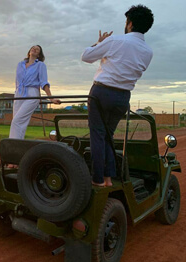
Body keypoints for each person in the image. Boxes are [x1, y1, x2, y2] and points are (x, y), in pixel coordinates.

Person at [81, 5, 154, 187]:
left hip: (101, 92)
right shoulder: (148, 52)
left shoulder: (115, 41)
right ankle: (108, 178)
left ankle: (97, 180)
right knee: (108, 136)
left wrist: (99, 43)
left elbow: (86, 56)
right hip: (123, 98)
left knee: (97, 135)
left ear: (129, 23)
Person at [9, 45, 60, 140]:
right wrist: (16, 93)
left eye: (37, 49)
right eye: (33, 47)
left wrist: (51, 98)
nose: (34, 49)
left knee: (17, 121)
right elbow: (17, 81)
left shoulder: (40, 65)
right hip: (19, 94)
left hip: (32, 94)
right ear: (29, 51)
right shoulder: (20, 64)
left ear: (39, 55)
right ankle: (17, 144)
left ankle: (12, 146)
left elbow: (44, 82)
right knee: (18, 123)